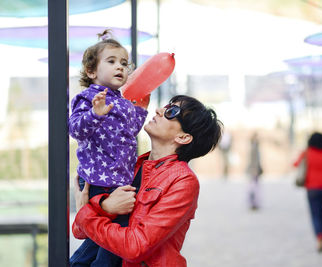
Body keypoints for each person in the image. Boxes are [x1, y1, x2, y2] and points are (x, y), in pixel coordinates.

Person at [72, 95, 223, 267]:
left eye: (171, 112)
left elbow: (135, 247)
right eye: (165, 107)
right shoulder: (130, 167)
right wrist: (104, 207)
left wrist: (85, 212)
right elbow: (80, 231)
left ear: (183, 137)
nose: (159, 111)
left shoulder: (183, 181)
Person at [69, 30, 149, 266]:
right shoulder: (88, 98)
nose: (120, 68)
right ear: (91, 71)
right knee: (115, 239)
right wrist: (95, 114)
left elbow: (130, 131)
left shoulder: (123, 102)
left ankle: (78, 264)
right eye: (112, 61)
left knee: (102, 238)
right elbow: (76, 130)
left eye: (124, 63)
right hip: (97, 180)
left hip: (118, 180)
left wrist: (141, 110)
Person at [246, 132, 263, 210]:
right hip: (254, 170)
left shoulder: (255, 147)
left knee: (255, 187)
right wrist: (255, 170)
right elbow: (253, 160)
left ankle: (254, 203)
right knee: (254, 188)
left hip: (254, 170)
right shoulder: (254, 147)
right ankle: (253, 204)